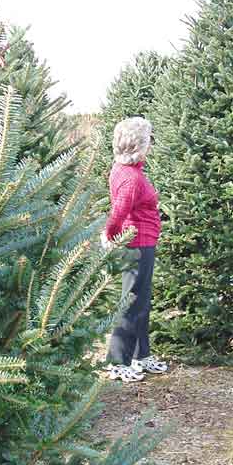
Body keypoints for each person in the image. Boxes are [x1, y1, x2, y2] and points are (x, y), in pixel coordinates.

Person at [101, 116, 168, 383]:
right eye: (148, 140)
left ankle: (140, 355)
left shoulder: (127, 169)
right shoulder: (130, 178)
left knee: (141, 301)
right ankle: (117, 361)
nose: (151, 144)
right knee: (131, 303)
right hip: (136, 244)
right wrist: (110, 236)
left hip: (142, 242)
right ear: (138, 144)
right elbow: (117, 214)